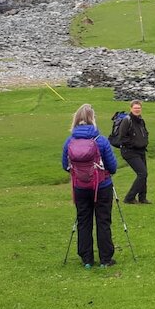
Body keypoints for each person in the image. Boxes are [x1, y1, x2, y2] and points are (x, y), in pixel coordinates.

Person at [62, 104, 118, 268]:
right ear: (93, 118)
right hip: (102, 186)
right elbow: (113, 166)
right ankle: (105, 259)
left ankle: (86, 259)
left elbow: (65, 164)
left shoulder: (70, 141)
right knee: (103, 221)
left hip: (80, 187)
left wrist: (79, 174)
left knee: (83, 221)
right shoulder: (100, 140)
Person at [119, 99, 151, 204]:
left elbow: (144, 133)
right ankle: (129, 198)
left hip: (141, 150)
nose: (137, 110)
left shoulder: (141, 120)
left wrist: (144, 142)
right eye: (135, 108)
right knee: (142, 173)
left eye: (139, 108)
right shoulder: (127, 120)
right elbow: (122, 137)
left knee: (144, 174)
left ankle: (142, 197)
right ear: (131, 108)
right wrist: (133, 145)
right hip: (130, 151)